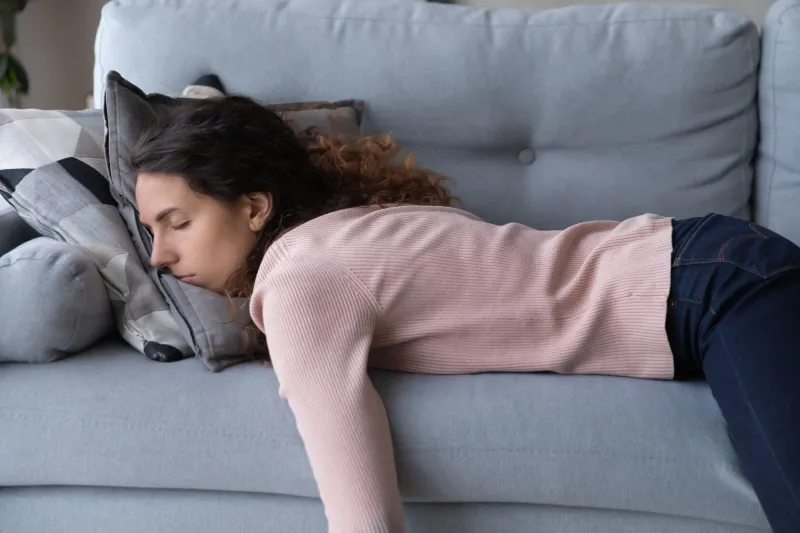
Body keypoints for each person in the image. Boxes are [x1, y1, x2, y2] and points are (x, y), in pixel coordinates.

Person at [132, 95, 799, 533]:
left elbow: (365, 516)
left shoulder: (300, 280)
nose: (158, 256)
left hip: (716, 289)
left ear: (253, 207)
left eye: (177, 223)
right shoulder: (343, 235)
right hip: (712, 268)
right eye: (149, 231)